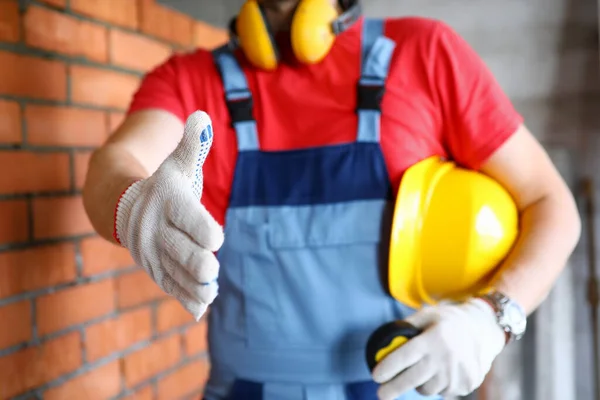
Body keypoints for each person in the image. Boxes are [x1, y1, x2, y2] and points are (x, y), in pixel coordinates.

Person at [82, 0, 581, 399]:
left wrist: (491, 319)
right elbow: (115, 163)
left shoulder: (425, 54)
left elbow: (549, 203)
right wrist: (132, 204)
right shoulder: (190, 82)